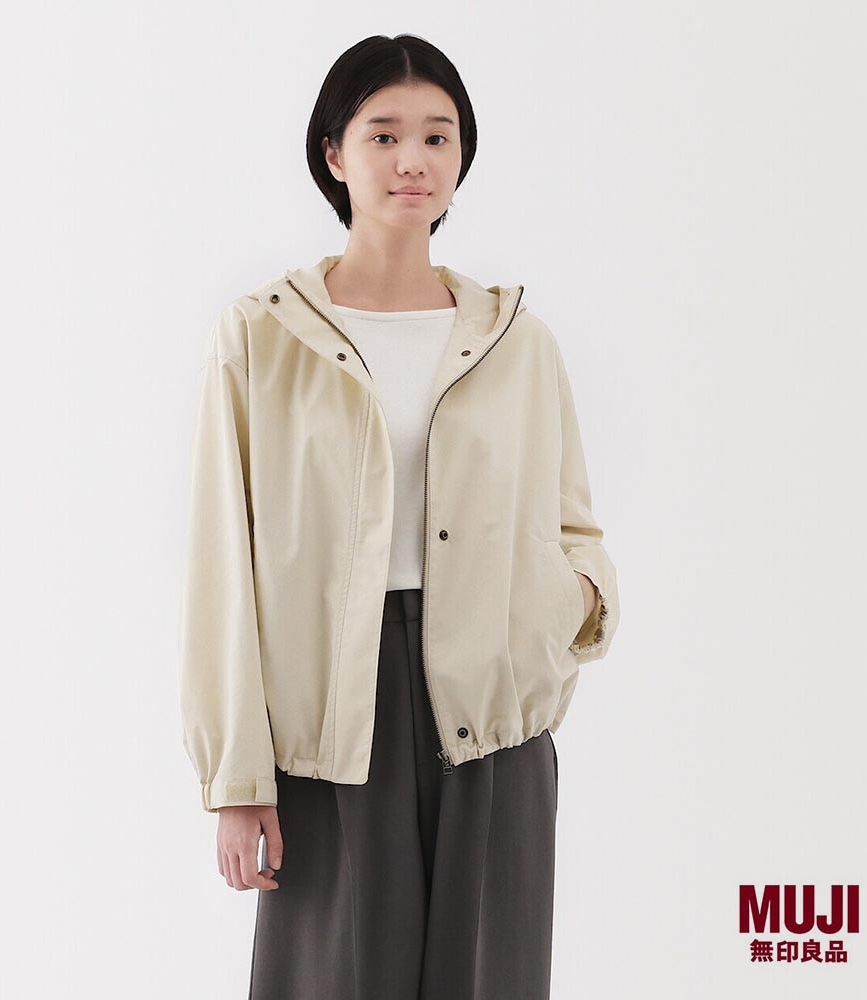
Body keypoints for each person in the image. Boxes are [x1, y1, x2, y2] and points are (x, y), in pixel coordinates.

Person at [179, 33, 620, 1000]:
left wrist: (569, 603)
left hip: (492, 711)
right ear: (334, 155)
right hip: (334, 713)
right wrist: (238, 779)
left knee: (490, 979)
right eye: (383, 135)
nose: (412, 159)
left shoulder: (517, 342)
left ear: (462, 157)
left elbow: (573, 527)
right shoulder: (261, 336)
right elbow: (223, 565)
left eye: (437, 136)